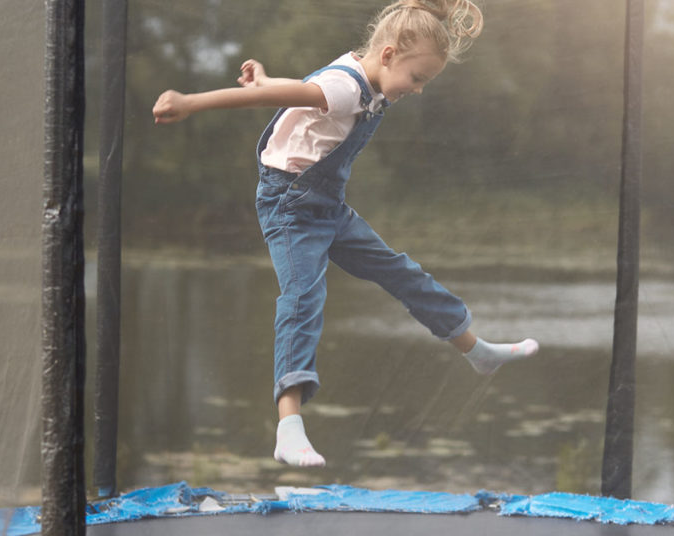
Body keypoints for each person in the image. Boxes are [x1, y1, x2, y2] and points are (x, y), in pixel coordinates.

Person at [152, 0, 538, 468]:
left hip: (325, 206)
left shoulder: (361, 75)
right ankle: (288, 425)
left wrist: (268, 79)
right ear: (390, 54)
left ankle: (476, 350)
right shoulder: (345, 88)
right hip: (290, 207)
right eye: (417, 79)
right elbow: (273, 100)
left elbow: (297, 90)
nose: (417, 91)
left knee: (400, 272)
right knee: (302, 297)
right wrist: (191, 102)